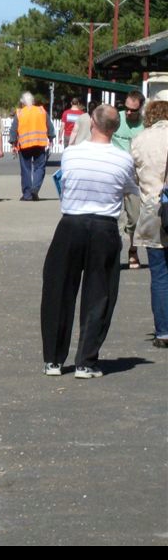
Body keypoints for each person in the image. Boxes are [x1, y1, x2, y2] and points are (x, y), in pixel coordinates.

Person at [41, 104, 139, 378]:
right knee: (100, 293)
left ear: (93, 124)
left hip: (71, 224)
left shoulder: (71, 154)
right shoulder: (123, 160)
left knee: (58, 290)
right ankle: (85, 361)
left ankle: (53, 360)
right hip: (104, 227)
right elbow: (131, 190)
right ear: (115, 128)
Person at [129, 99, 168, 348]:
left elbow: (132, 177)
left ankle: (163, 331)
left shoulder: (140, 140)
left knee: (160, 274)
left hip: (154, 211)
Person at [113, 90, 146, 269]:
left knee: (135, 217)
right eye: (126, 108)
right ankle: (112, 253)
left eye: (133, 110)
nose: (128, 112)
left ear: (140, 108)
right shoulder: (115, 118)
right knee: (114, 217)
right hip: (114, 175)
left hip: (134, 177)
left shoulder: (144, 125)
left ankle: (133, 249)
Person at [9, 92, 55, 201]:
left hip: (24, 145)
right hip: (40, 144)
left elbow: (13, 130)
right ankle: (35, 188)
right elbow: (50, 126)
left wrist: (13, 143)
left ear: (22, 102)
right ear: (33, 101)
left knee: (26, 170)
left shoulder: (19, 113)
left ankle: (27, 195)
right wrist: (51, 138)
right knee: (40, 167)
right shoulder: (41, 111)